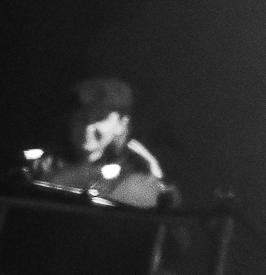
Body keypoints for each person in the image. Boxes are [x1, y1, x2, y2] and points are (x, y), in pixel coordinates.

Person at [20, 77, 175, 209]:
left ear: (122, 124)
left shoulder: (139, 170)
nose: (88, 127)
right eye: (82, 118)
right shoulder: (43, 164)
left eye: (100, 118)